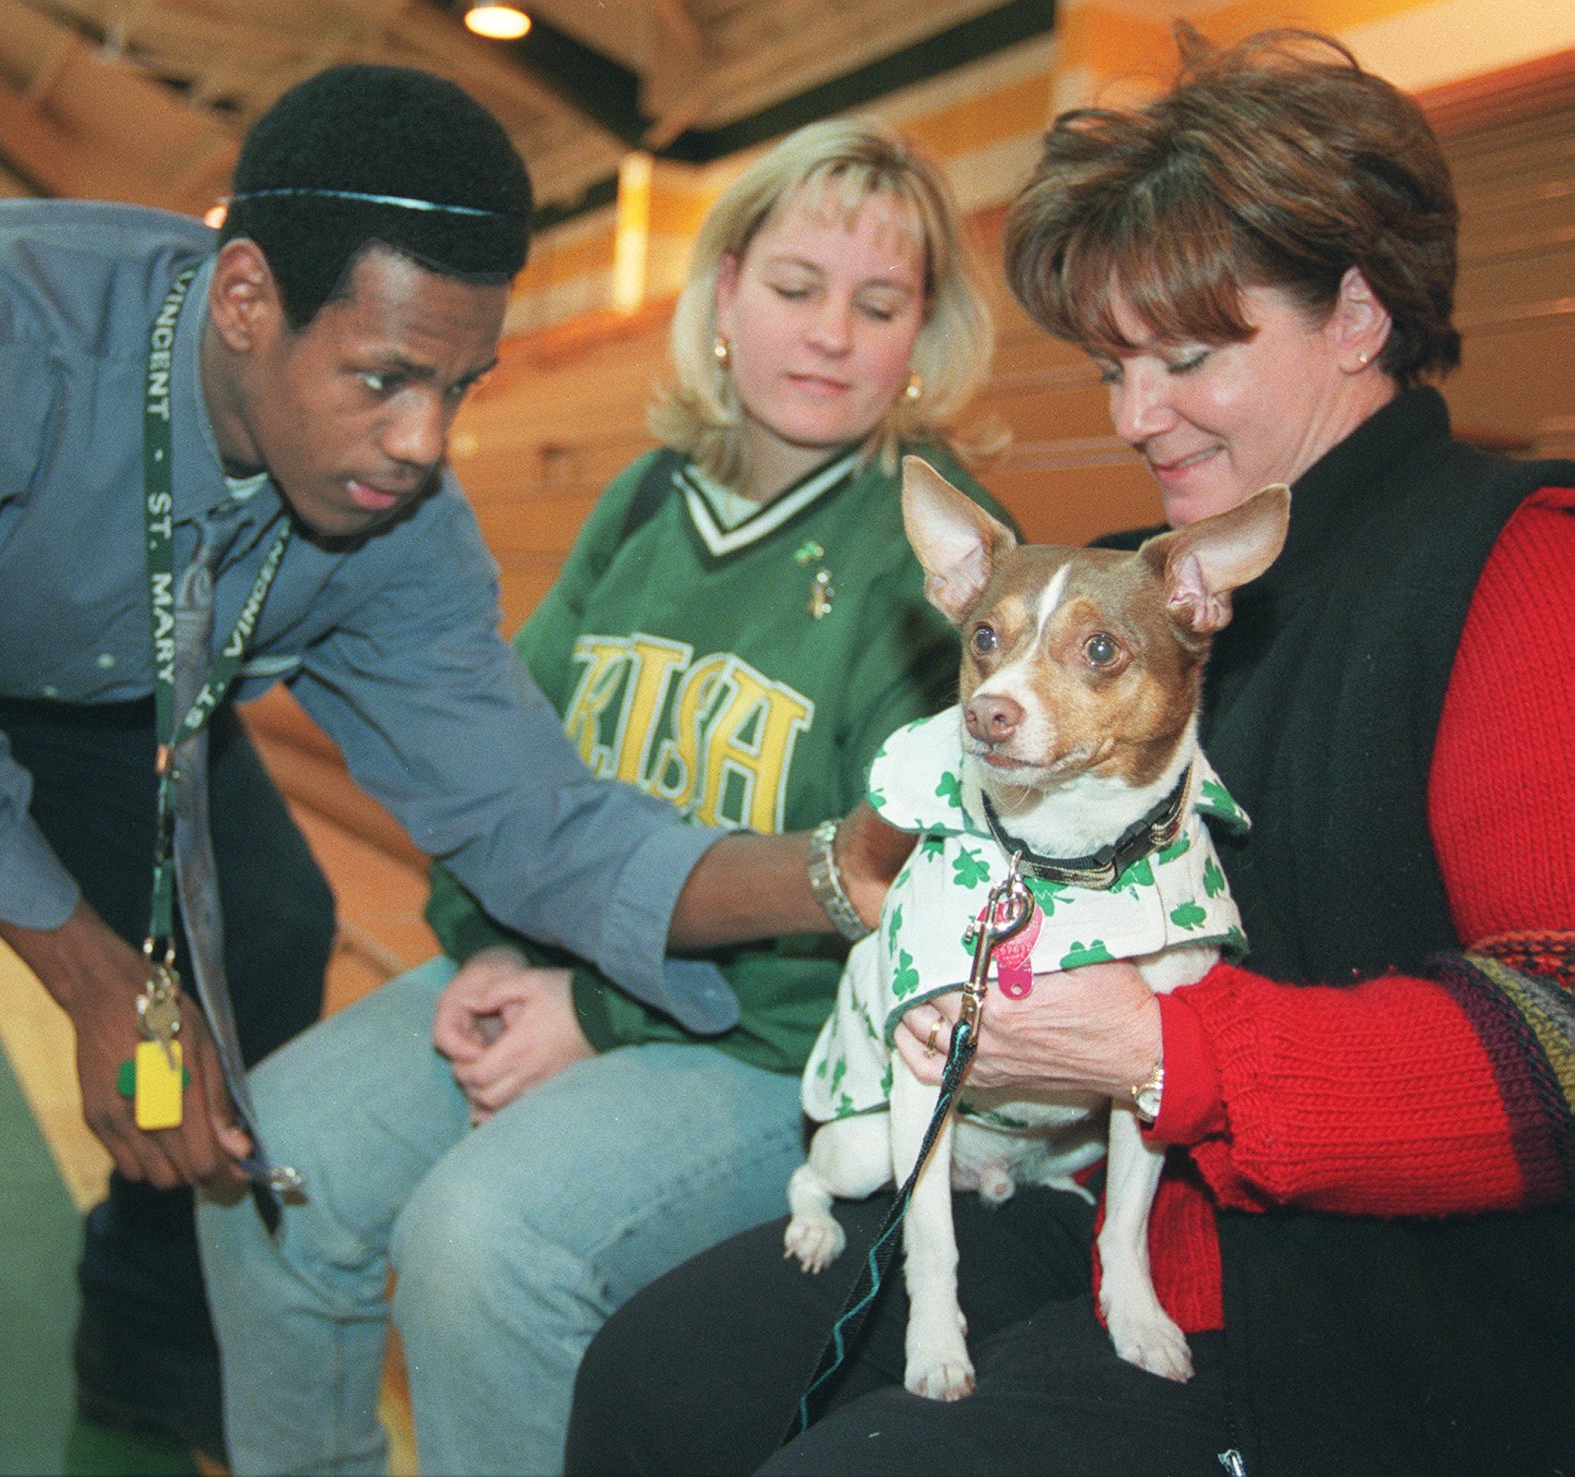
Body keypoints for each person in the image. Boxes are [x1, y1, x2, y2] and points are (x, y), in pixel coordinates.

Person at [0, 66, 907, 1476]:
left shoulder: (394, 521)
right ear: (243, 302)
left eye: (459, 387)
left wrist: (835, 865)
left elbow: (535, 821)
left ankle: (152, 1346)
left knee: (266, 924)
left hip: (87, 651)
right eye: (383, 377)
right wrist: (107, 985)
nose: (423, 443)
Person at [565, 28, 1575, 1477]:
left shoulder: (1511, 567)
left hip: (1368, 1303)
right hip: (1101, 1190)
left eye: (1186, 355)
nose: (1130, 416)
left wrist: (1175, 1050)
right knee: (655, 1378)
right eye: (1109, 364)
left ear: (1355, 315)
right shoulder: (1112, 591)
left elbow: (1559, 1031)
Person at [194, 117, 1012, 1475]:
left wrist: (597, 1005)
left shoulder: (939, 558)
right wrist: (500, 937)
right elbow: (494, 775)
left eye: (878, 304)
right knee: (273, 1159)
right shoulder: (643, 501)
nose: (828, 334)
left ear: (923, 335)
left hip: (785, 1048)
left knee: (481, 1245)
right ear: (727, 292)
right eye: (796, 288)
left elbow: (903, 913)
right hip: (566, 970)